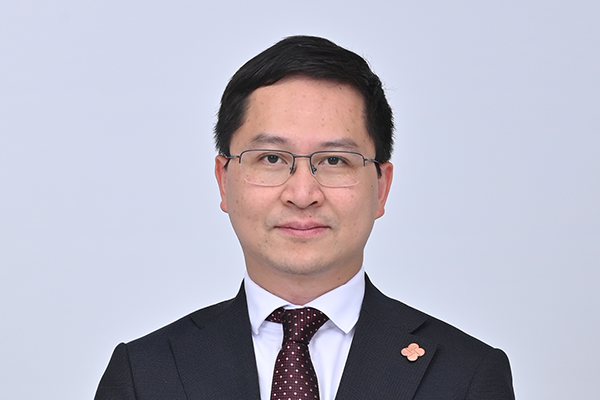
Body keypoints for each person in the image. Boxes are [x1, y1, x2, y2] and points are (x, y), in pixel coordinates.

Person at [95, 35, 515, 400]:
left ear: (381, 187)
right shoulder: (144, 374)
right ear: (224, 181)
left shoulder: (466, 375)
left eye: (334, 160)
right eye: (271, 158)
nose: (302, 194)